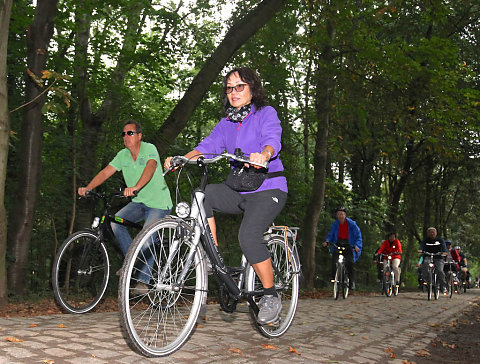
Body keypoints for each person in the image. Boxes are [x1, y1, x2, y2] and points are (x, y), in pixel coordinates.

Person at [164, 67, 288, 325]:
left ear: (252, 88)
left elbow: (272, 138)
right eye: (229, 88)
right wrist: (182, 158)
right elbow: (207, 147)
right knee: (203, 194)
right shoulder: (226, 124)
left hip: (268, 188)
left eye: (239, 86)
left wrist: (264, 154)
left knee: (248, 237)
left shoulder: (266, 113)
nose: (233, 92)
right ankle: (213, 258)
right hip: (239, 188)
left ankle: (270, 295)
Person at [78, 120, 173, 287]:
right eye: (123, 134)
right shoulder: (122, 155)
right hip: (139, 202)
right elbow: (106, 171)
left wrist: (137, 186)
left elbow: (150, 168)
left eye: (130, 133)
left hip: (159, 203)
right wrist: (88, 187)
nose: (126, 137)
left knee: (146, 237)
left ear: (139, 136)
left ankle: (142, 281)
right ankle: (132, 262)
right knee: (115, 223)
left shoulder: (149, 149)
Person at [322, 207, 363, 290]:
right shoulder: (335, 224)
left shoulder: (352, 224)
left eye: (342, 214)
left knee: (349, 262)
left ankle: (351, 281)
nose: (340, 216)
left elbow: (358, 236)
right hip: (338, 243)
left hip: (349, 244)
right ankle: (334, 278)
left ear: (345, 215)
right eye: (338, 214)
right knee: (334, 261)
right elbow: (331, 234)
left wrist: (357, 246)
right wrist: (327, 241)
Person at [418, 227, 447, 293]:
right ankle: (427, 281)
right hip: (428, 256)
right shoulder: (425, 240)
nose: (432, 234)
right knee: (425, 264)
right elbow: (421, 246)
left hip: (438, 257)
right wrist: (420, 250)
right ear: (428, 234)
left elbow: (444, 248)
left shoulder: (440, 240)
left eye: (433, 232)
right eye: (430, 232)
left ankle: (443, 286)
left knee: (440, 270)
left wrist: (444, 252)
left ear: (436, 233)